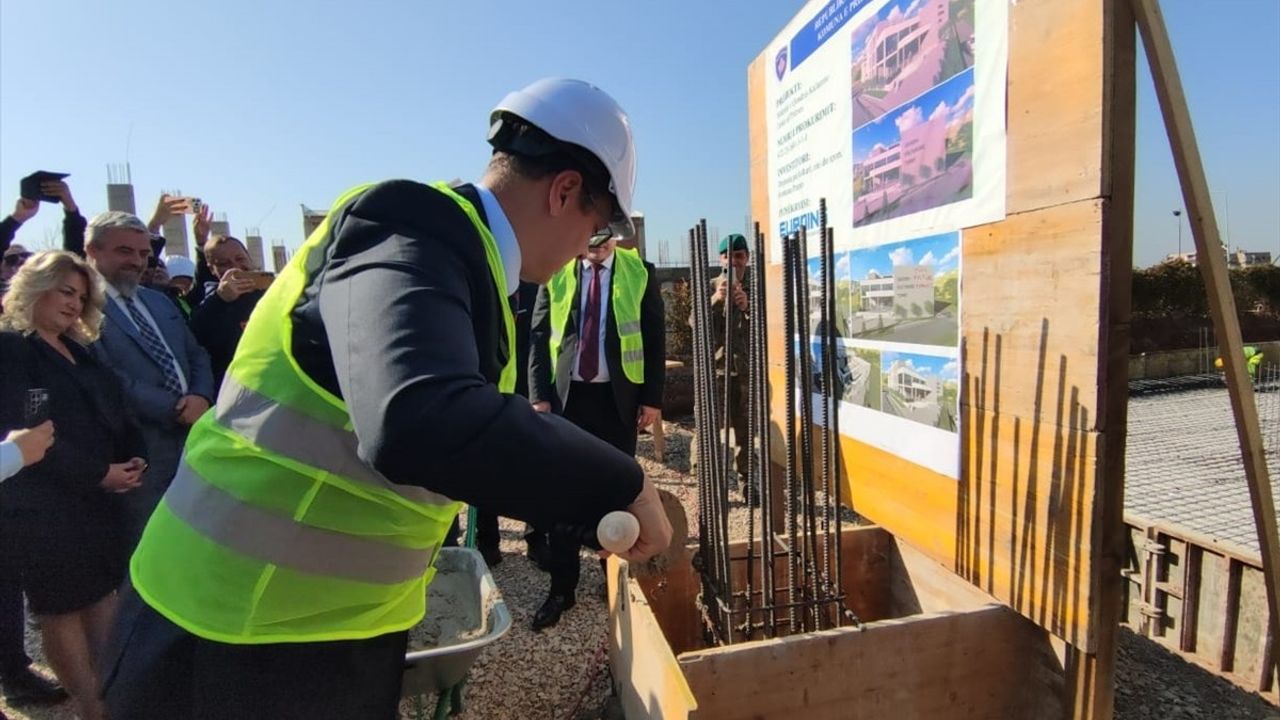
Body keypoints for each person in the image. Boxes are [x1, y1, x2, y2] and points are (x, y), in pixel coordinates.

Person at [100, 77, 671, 720]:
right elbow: (420, 417)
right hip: (229, 637)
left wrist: (580, 516)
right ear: (565, 191)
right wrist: (623, 484)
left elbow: (462, 445)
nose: (580, 255)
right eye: (594, 226)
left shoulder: (471, 269)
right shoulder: (407, 228)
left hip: (318, 631)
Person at [0, 251, 147, 720]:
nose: (73, 304)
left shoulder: (80, 349)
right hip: (44, 502)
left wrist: (129, 459)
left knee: (103, 595)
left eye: (81, 297)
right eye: (65, 291)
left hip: (97, 498)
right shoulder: (12, 349)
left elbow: (111, 409)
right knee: (62, 609)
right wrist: (97, 473)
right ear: (34, 286)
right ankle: (91, 706)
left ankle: (113, 694)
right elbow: (27, 433)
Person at [527, 236, 665, 629]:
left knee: (617, 491)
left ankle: (614, 582)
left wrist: (652, 399)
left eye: (604, 237)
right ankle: (562, 588)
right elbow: (538, 335)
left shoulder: (640, 272)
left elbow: (655, 338)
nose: (595, 245)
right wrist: (538, 396)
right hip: (567, 399)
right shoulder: (558, 269)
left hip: (617, 402)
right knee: (562, 494)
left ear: (616, 237)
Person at [84, 211, 215, 548]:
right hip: (141, 450)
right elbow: (106, 375)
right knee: (151, 546)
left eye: (143, 254)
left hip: (196, 438)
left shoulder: (158, 301)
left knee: (200, 539)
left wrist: (200, 397)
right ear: (93, 251)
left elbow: (197, 354)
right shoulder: (83, 307)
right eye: (125, 251)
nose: (137, 261)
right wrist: (173, 408)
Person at [691, 233, 755, 503]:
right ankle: (705, 481)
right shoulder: (708, 287)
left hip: (745, 373)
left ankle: (748, 483)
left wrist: (748, 306)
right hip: (714, 372)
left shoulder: (757, 288)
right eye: (728, 256)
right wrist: (716, 300)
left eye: (739, 256)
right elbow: (695, 322)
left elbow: (770, 329)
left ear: (747, 258)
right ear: (721, 259)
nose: (734, 261)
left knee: (746, 432)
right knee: (707, 429)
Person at [188, 230, 267, 390]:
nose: (235, 267)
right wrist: (220, 300)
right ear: (211, 269)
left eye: (240, 259)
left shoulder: (270, 292)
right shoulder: (208, 305)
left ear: (249, 258)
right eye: (224, 264)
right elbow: (195, 336)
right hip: (233, 391)